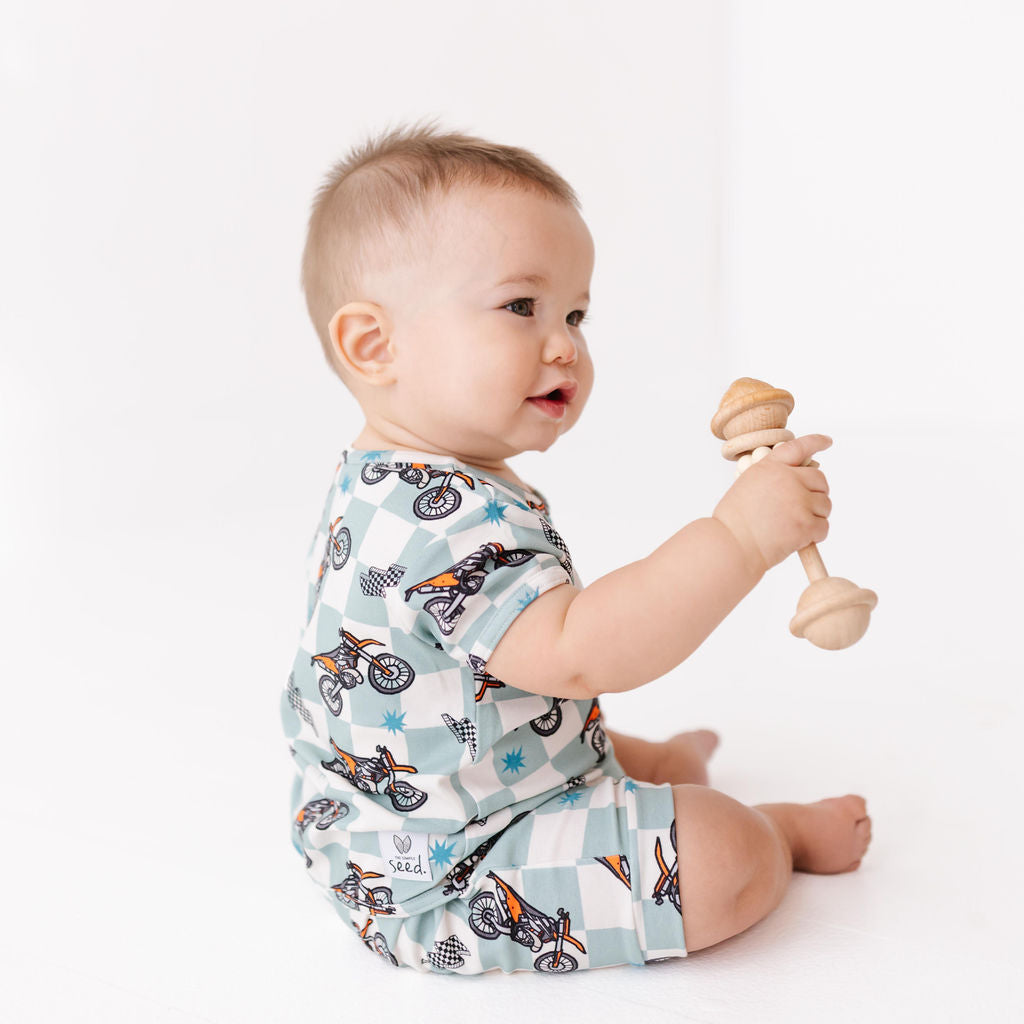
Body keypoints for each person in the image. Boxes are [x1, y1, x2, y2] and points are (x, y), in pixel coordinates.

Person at [281, 120, 872, 975]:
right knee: (721, 858)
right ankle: (775, 833)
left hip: (422, 804)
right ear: (377, 345)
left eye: (575, 313)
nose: (565, 344)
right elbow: (583, 651)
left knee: (562, 728)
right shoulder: (445, 525)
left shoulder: (386, 481)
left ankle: (649, 768)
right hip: (451, 877)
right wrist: (740, 538)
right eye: (522, 307)